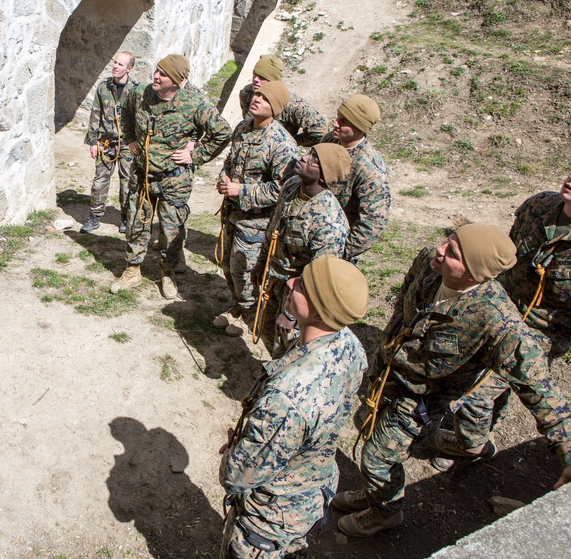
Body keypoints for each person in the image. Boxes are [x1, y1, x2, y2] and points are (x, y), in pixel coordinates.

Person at [334, 224, 571, 538]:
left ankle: (383, 513)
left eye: (454, 252)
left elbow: (540, 389)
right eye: (450, 240)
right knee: (368, 427)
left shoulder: (498, 323)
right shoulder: (429, 263)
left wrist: (568, 451)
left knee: (377, 456)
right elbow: (403, 308)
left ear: (473, 275)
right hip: (388, 379)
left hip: (422, 401)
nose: (440, 249)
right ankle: (378, 489)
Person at [218, 256, 368, 559]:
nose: (289, 282)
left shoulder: (287, 397)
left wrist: (235, 455)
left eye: (301, 286)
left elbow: (237, 477)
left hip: (267, 520)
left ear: (319, 309)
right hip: (310, 491)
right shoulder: (349, 343)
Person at [429, 175, 571, 470]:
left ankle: (472, 445)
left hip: (543, 332)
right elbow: (505, 256)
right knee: (471, 371)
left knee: (474, 390)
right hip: (499, 305)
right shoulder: (539, 206)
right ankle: (487, 424)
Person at [111, 54, 231, 299]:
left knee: (170, 230)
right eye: (156, 70)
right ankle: (132, 271)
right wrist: (131, 139)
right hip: (143, 176)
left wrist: (195, 156)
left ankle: (167, 274)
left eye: (163, 74)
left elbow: (222, 132)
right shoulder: (141, 94)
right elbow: (125, 112)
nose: (156, 76)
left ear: (177, 81)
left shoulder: (193, 104)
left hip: (174, 181)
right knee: (136, 224)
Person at [214, 81, 298, 338]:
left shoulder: (282, 143)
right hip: (233, 215)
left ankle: (251, 316)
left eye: (264, 98)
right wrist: (224, 178)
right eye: (256, 94)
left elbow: (283, 189)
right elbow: (230, 161)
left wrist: (243, 192)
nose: (256, 98)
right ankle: (239, 307)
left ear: (276, 108)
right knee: (229, 266)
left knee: (247, 273)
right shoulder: (242, 128)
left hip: (258, 223)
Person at [251, 144, 351, 357]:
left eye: (314, 160)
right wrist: (261, 262)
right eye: (309, 153)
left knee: (287, 346)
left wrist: (290, 314)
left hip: (298, 294)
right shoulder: (292, 185)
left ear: (324, 177)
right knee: (267, 332)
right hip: (273, 278)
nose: (304, 158)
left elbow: (318, 277)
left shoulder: (330, 222)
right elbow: (274, 228)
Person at [320, 95, 391, 263]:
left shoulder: (369, 169)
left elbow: (373, 222)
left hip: (336, 247)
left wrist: (342, 253)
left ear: (360, 127)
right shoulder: (331, 140)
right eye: (337, 117)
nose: (335, 123)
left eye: (343, 122)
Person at [82, 52, 143, 234]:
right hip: (106, 142)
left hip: (127, 143)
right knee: (100, 180)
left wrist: (137, 143)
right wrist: (93, 142)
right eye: (114, 63)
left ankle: (125, 216)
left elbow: (140, 118)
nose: (115, 66)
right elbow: (95, 115)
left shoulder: (136, 90)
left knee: (127, 181)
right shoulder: (103, 87)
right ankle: (95, 215)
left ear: (129, 69)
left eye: (120, 64)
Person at [237, 55, 327, 147]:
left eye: (262, 77)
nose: (256, 80)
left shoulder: (292, 104)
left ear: (273, 81)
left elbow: (320, 130)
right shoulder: (247, 93)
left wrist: (293, 142)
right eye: (254, 75)